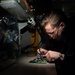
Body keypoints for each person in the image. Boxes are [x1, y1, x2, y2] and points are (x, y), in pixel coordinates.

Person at [37, 9, 75, 75]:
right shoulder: (59, 37)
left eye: (52, 33)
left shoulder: (72, 37)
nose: (50, 36)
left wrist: (59, 55)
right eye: (48, 34)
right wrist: (47, 52)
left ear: (62, 25)